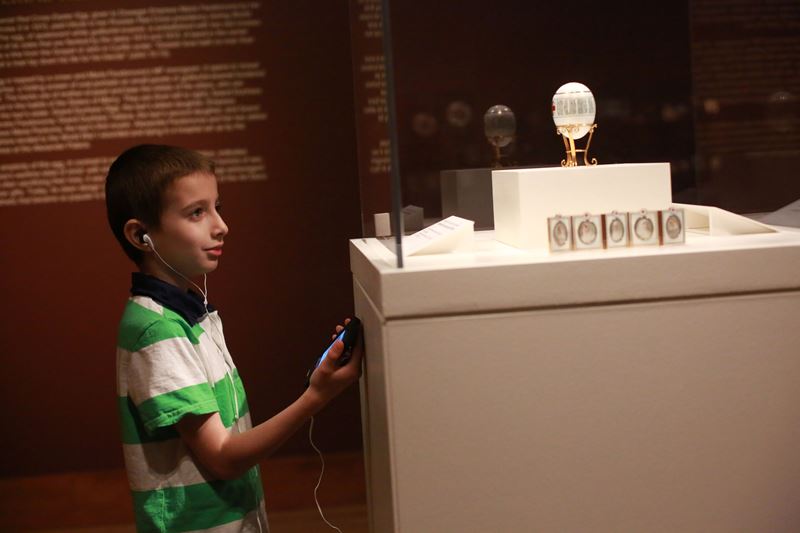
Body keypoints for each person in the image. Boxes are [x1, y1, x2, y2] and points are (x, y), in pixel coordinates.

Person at [105, 144, 362, 532]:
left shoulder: (186, 312)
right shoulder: (157, 330)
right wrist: (316, 397)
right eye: (197, 212)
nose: (220, 225)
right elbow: (223, 457)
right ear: (141, 235)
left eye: (216, 207)